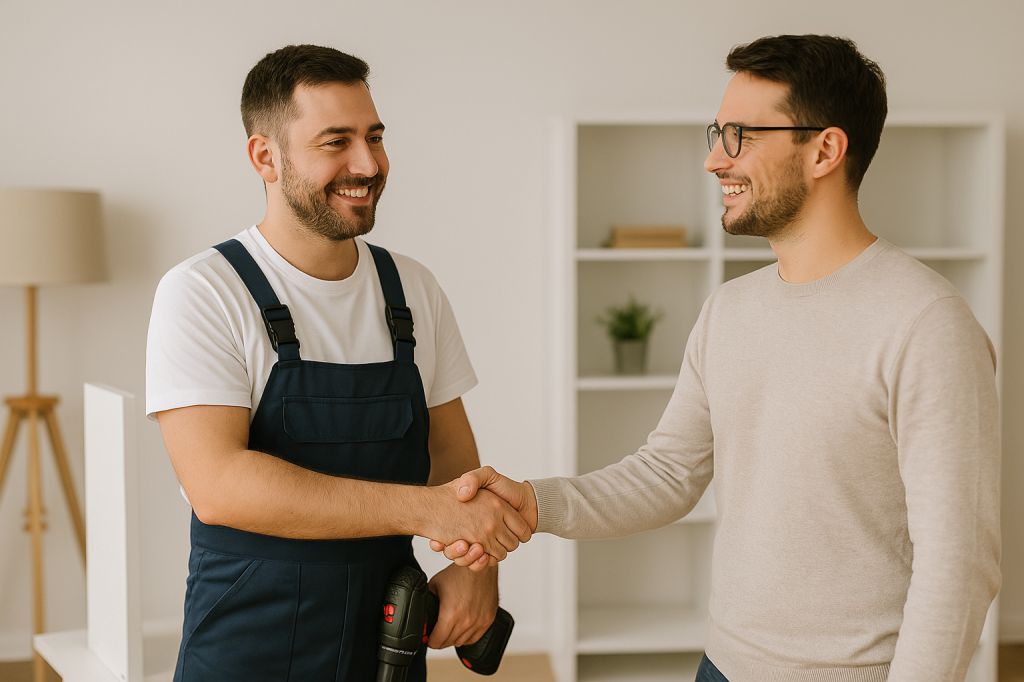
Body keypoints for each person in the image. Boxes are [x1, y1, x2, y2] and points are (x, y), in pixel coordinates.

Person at [433, 34, 1001, 682]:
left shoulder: (927, 324)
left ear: (825, 149)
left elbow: (960, 562)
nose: (713, 160)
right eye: (716, 133)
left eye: (741, 137)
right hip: (722, 667)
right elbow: (670, 472)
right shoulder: (730, 310)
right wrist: (537, 504)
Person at [145, 44, 530, 681]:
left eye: (374, 137)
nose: (368, 163)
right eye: (336, 141)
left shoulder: (412, 290)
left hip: (386, 645)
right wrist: (425, 510)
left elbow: (455, 458)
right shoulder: (205, 291)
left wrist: (474, 566)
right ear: (265, 156)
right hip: (249, 648)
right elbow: (217, 485)